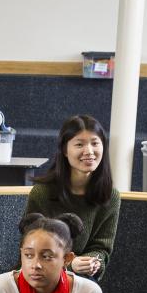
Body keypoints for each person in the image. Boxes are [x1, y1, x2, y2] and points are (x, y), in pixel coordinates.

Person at [25, 114, 122, 279]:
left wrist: (94, 262)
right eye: (79, 144)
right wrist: (69, 263)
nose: (89, 151)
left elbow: (101, 247)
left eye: (95, 143)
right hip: (39, 274)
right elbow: (30, 248)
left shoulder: (110, 196)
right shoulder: (42, 193)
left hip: (82, 279)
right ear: (64, 150)